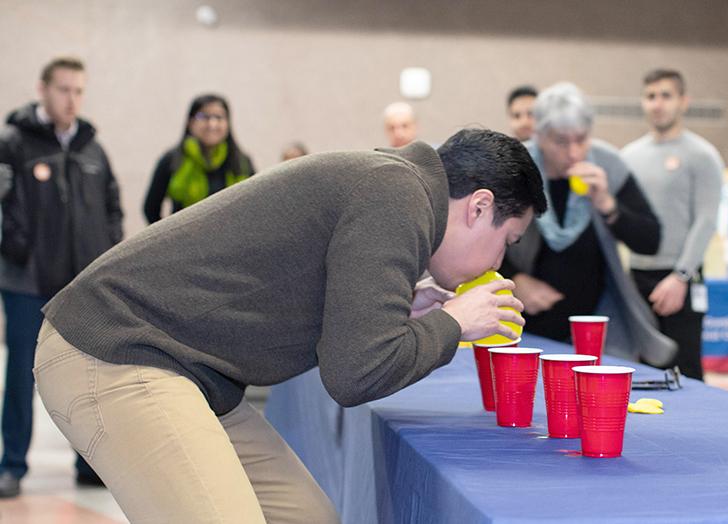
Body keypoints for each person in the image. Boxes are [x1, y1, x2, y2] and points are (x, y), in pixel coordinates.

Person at [33, 129, 546, 521]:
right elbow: (355, 374)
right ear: (479, 207)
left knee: (305, 517)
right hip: (115, 347)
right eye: (511, 239)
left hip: (184, 368)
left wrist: (409, 313)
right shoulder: (398, 195)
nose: (503, 257)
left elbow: (340, 326)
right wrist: (453, 323)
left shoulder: (395, 188)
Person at [0, 56, 123, 497]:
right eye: (63, 90)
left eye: (78, 91)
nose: (71, 100)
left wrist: (106, 254)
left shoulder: (93, 148)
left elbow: (112, 207)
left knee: (85, 376)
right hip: (26, 282)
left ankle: (88, 463)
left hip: (82, 284)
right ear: (43, 89)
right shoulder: (13, 142)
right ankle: (11, 463)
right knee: (20, 375)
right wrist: (15, 247)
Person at [502, 82, 676, 366]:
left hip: (595, 323)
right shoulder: (516, 168)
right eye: (560, 141)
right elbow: (478, 240)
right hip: (523, 325)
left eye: (581, 139)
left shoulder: (607, 163)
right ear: (539, 136)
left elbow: (651, 240)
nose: (574, 152)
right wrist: (515, 280)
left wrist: (609, 205)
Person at [621, 69, 724, 381]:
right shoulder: (628, 157)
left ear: (683, 101)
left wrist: (681, 276)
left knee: (685, 373)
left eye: (666, 95)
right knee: (640, 373)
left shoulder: (702, 155)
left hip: (682, 277)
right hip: (637, 279)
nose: (657, 104)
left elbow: (706, 220)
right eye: (651, 96)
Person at [143, 94, 255, 223]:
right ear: (190, 122)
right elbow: (150, 208)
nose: (212, 124)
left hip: (234, 238)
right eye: (203, 116)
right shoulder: (172, 160)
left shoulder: (242, 161)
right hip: (185, 239)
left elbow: (254, 203)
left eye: (219, 117)